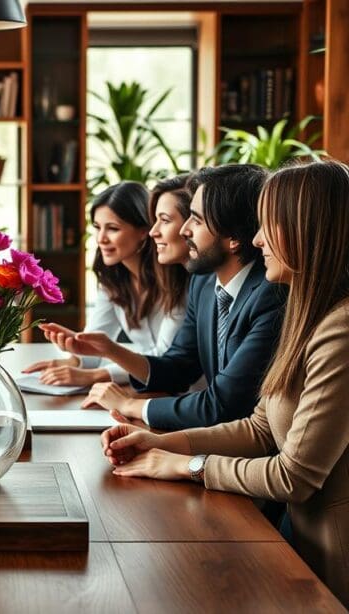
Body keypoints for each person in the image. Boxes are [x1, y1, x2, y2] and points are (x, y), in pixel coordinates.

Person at [100, 160, 349, 606]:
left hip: (333, 566)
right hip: (296, 544)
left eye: (269, 225)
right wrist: (161, 444)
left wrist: (184, 466)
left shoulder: (341, 329)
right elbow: (260, 428)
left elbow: (294, 477)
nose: (257, 239)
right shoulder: (304, 312)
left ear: (308, 231)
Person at [44, 164, 286, 430]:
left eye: (196, 219)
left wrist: (130, 405)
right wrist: (108, 349)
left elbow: (223, 406)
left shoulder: (270, 295)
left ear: (234, 238)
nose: (185, 230)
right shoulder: (204, 284)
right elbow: (178, 367)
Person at [23, 180, 189, 390]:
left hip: (183, 390)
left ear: (143, 231)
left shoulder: (177, 279)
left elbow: (165, 358)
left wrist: (94, 375)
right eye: (97, 228)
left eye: (112, 228)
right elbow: (96, 339)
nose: (101, 238)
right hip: (152, 388)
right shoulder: (113, 279)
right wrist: (73, 359)